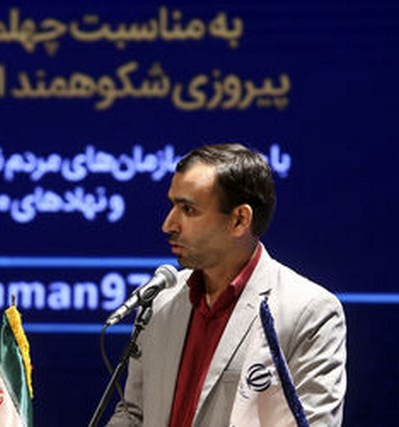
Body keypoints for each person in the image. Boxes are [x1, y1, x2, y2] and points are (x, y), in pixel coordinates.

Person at [106, 143, 346, 426]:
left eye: (188, 209)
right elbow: (134, 413)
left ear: (239, 220)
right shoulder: (160, 300)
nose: (168, 224)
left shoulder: (310, 312)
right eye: (172, 205)